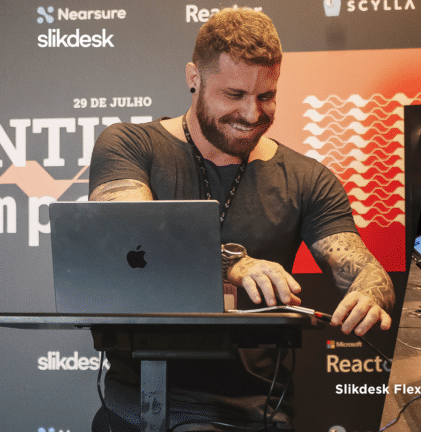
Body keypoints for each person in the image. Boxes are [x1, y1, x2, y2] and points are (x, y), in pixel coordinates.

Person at [88, 8, 395, 431]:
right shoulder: (129, 145)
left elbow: (367, 271)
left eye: (267, 96)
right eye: (234, 95)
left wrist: (369, 293)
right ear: (194, 77)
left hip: (257, 412)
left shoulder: (308, 178)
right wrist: (236, 263)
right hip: (143, 402)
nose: (253, 114)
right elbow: (129, 237)